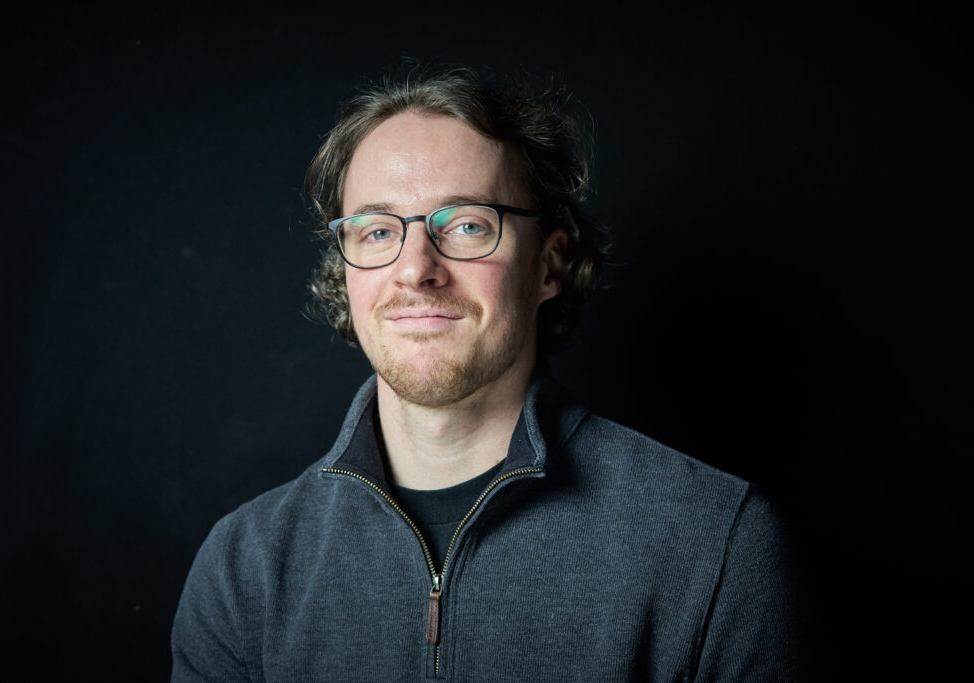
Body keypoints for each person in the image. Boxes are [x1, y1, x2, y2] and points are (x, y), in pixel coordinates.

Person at [171, 69, 800, 681]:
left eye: (467, 225)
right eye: (377, 230)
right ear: (347, 267)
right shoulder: (244, 566)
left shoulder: (715, 540)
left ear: (549, 265)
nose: (416, 269)